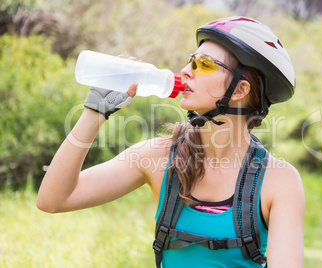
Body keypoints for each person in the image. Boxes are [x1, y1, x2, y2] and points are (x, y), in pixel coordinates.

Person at [37, 16, 305, 267]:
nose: (186, 71)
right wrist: (95, 111)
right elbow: (53, 200)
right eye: (191, 61)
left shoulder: (278, 181)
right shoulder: (157, 157)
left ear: (239, 90)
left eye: (204, 64)